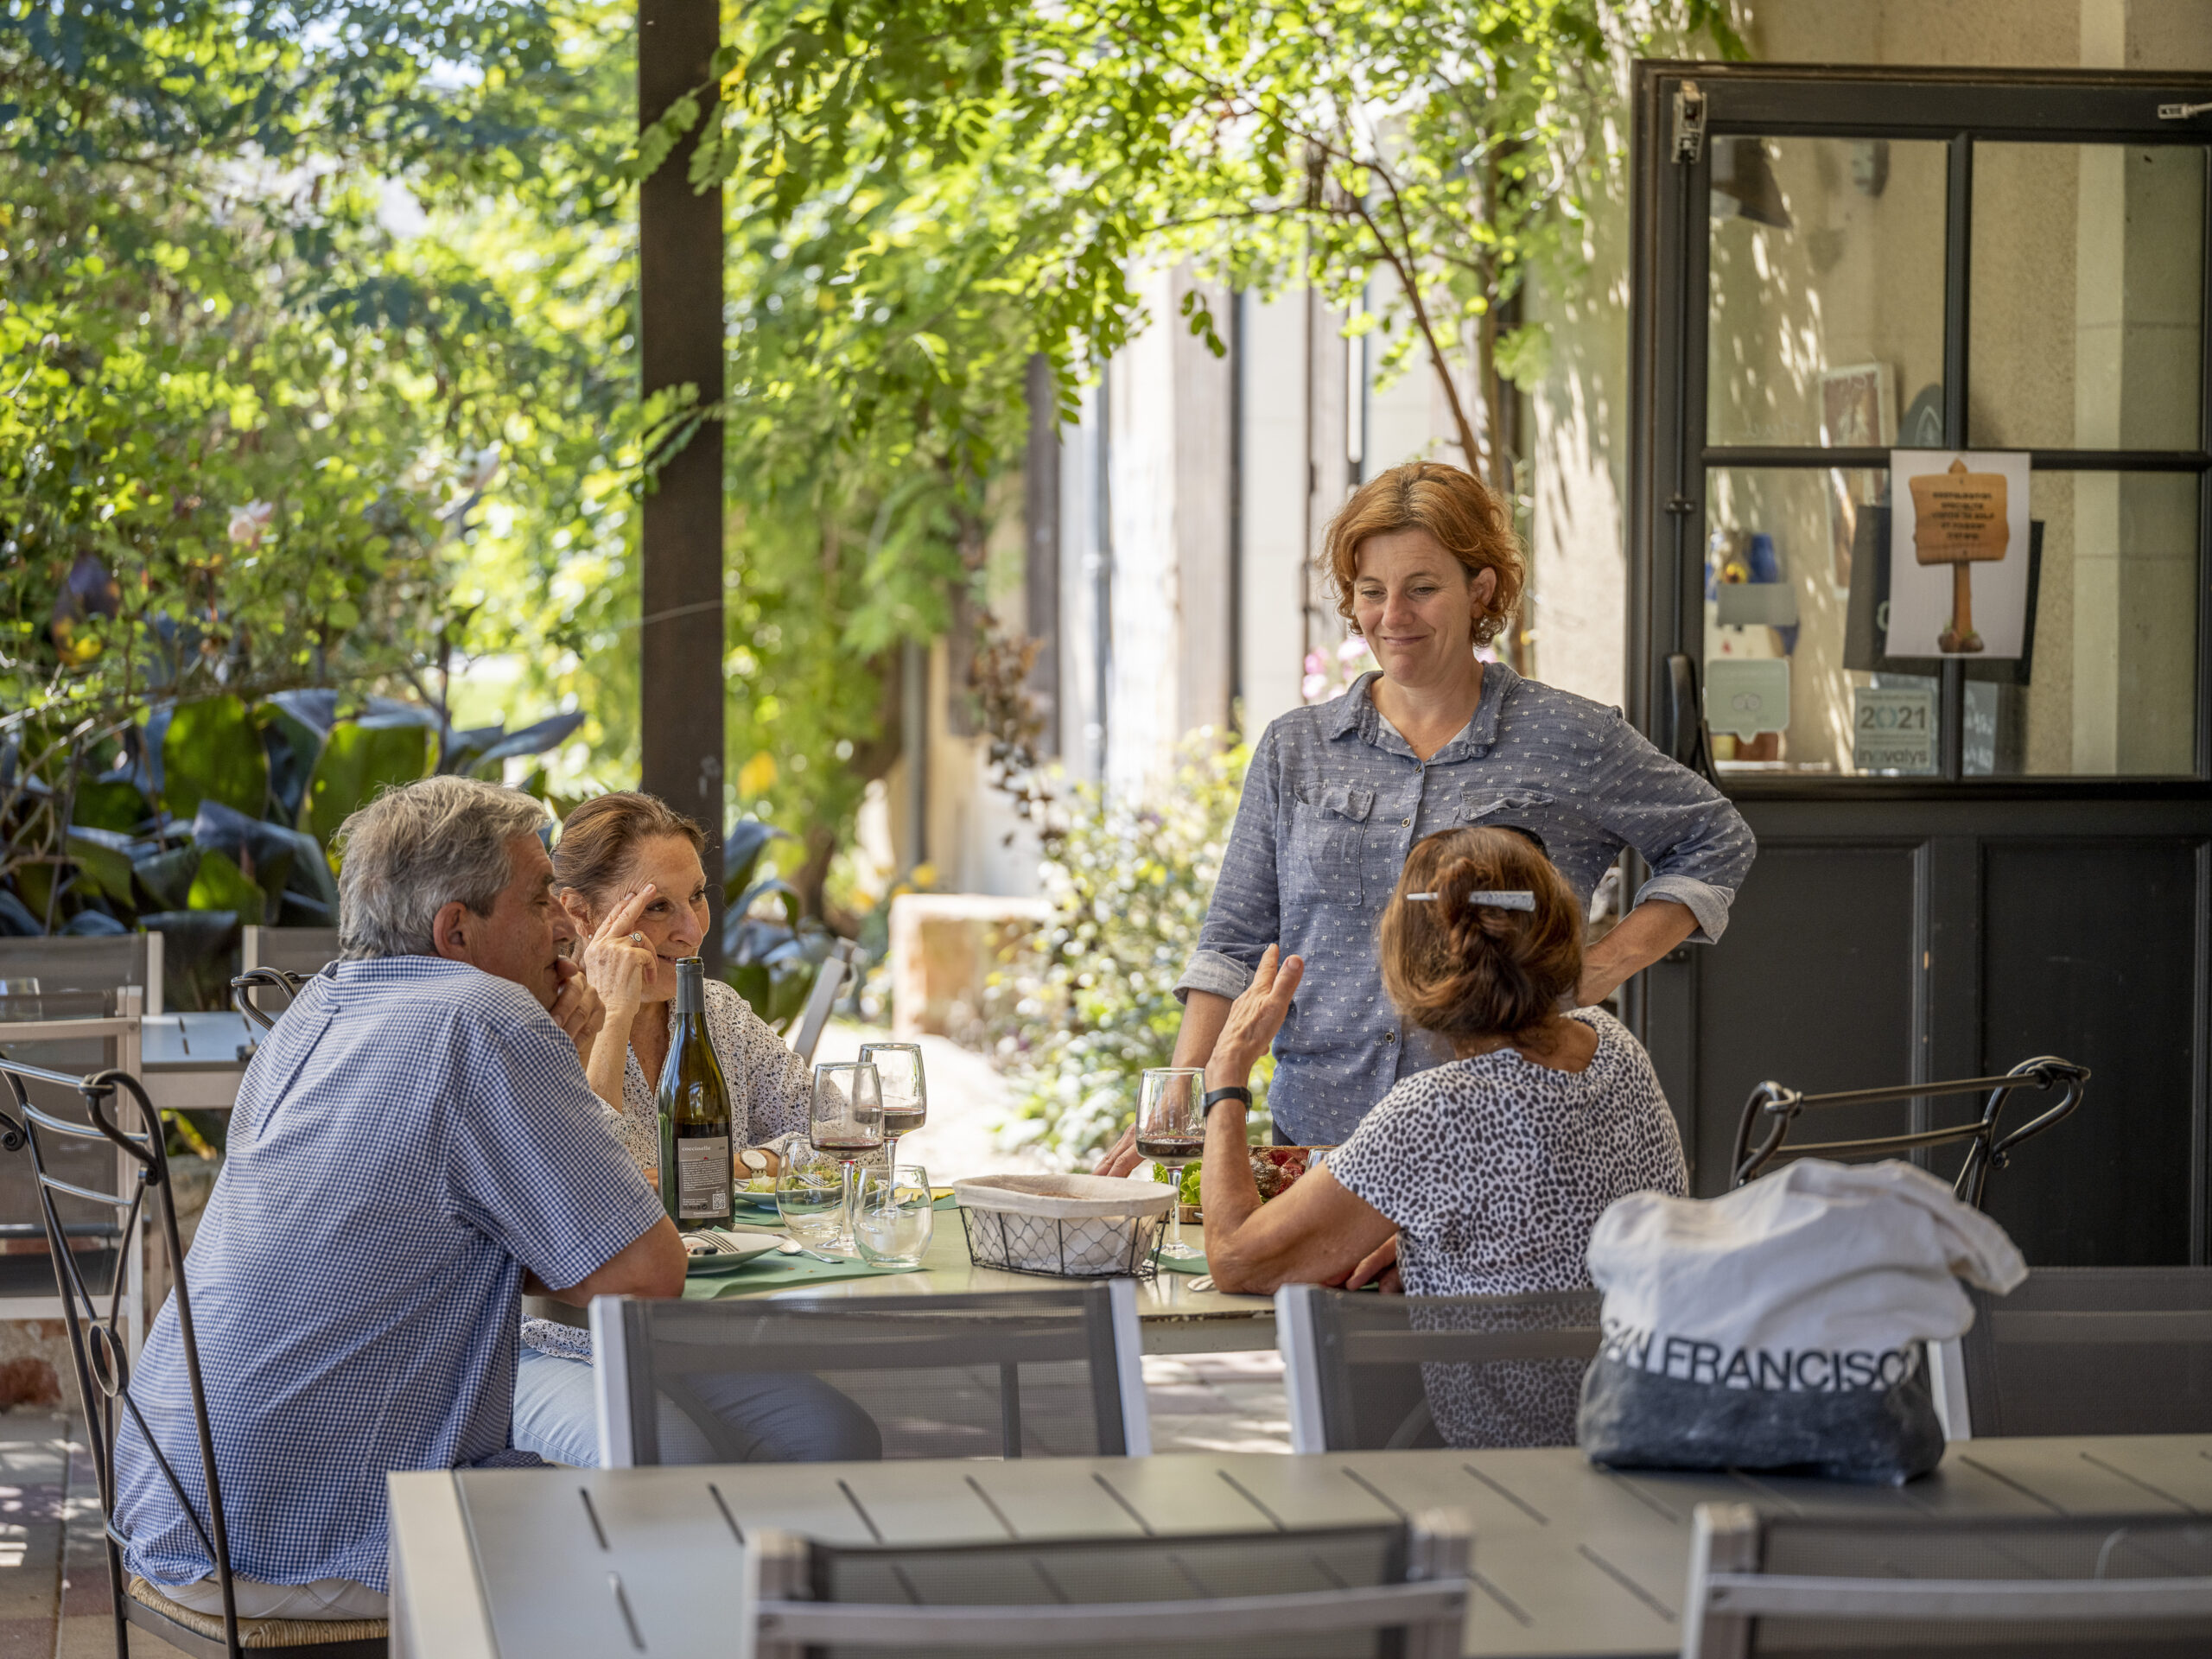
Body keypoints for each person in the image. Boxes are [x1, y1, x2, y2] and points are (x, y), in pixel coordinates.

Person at [111, 777, 684, 1620]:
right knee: (669, 1534)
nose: (565, 927)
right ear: (456, 929)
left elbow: (408, 1234)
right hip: (302, 1533)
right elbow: (647, 1273)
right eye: (538, 898)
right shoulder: (485, 1019)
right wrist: (553, 1054)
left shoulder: (313, 1011)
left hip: (176, 1498)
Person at [1097, 459, 1753, 1171]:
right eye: (1371, 592)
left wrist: (1598, 970)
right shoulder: (1298, 750)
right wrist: (1180, 1099)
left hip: (1503, 1143)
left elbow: (1715, 839)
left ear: (1481, 589)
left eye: (1422, 589)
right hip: (1320, 1140)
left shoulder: (1570, 738)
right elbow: (1233, 944)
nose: (1392, 617)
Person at [1195, 825, 1688, 1448]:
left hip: (1507, 1474)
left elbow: (1238, 1258)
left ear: (1407, 960)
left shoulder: (1436, 1112)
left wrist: (1227, 1076)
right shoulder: (1617, 1049)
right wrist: (1430, 1232)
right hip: (1643, 1439)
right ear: (1561, 933)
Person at [508, 790, 880, 1468]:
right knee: (675, 1453)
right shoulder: (541, 1027)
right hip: (566, 1341)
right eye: (657, 907)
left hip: (695, 1335)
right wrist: (613, 1017)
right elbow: (598, 1200)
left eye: (698, 897)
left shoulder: (716, 1013)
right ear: (580, 914)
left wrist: (743, 1167)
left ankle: (782, 1572)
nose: (691, 930)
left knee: (837, 1436)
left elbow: (837, 1132)